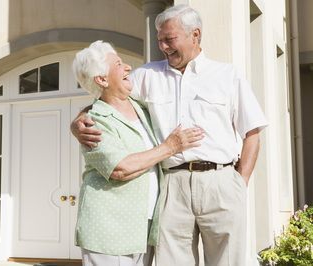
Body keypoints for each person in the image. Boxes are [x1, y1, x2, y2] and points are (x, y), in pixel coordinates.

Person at [71, 5, 268, 266]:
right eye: (159, 40)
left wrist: (238, 184)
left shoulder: (228, 76)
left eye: (169, 39)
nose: (163, 46)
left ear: (195, 35)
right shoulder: (147, 75)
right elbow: (108, 98)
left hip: (220, 181)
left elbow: (252, 132)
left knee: (229, 261)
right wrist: (77, 121)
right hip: (172, 185)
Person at [72, 40, 204, 266]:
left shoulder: (141, 107)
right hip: (109, 227)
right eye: (118, 64)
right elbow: (120, 168)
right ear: (102, 79)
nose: (127, 68)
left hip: (144, 224)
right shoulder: (94, 121)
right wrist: (170, 147)